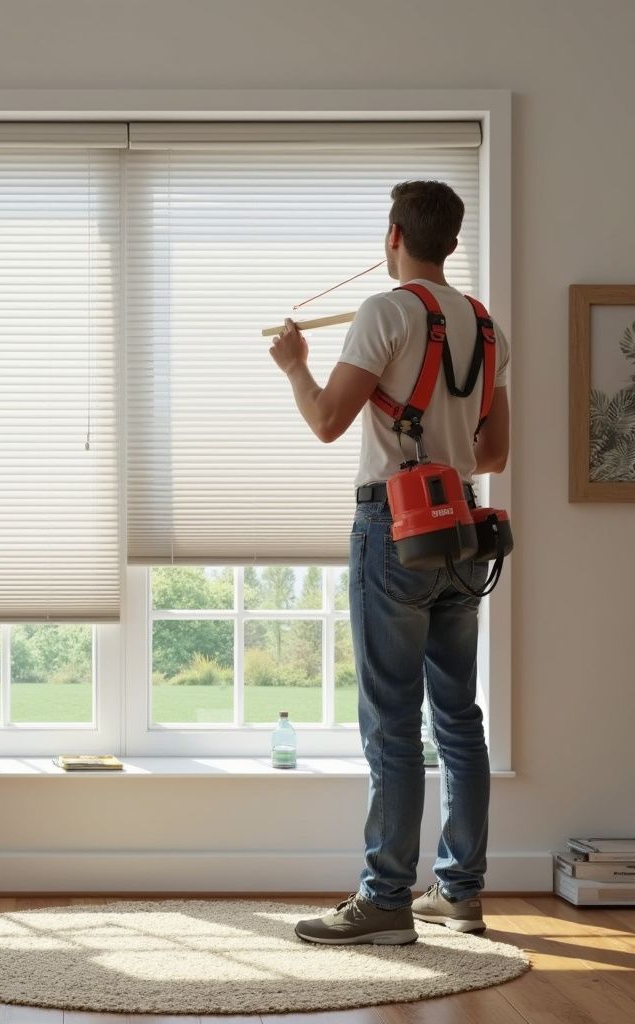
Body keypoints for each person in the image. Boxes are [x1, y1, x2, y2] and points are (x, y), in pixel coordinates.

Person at [268, 180, 510, 945]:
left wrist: (295, 366)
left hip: (396, 525)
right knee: (459, 719)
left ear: (394, 234)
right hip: (464, 529)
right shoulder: (485, 323)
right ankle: (460, 893)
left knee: (393, 725)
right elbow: (493, 452)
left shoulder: (384, 311)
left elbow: (326, 421)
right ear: (452, 240)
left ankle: (385, 902)